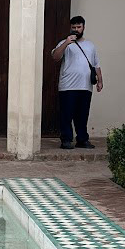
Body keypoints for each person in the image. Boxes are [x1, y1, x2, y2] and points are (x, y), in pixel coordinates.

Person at [50, 14, 103, 149]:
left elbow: (96, 65)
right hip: (67, 86)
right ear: (70, 28)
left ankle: (82, 139)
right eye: (73, 27)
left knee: (82, 115)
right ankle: (66, 139)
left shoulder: (90, 45)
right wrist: (67, 43)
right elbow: (55, 57)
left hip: (85, 86)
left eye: (79, 27)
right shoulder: (64, 43)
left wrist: (100, 81)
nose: (76, 29)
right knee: (66, 114)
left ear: (83, 27)